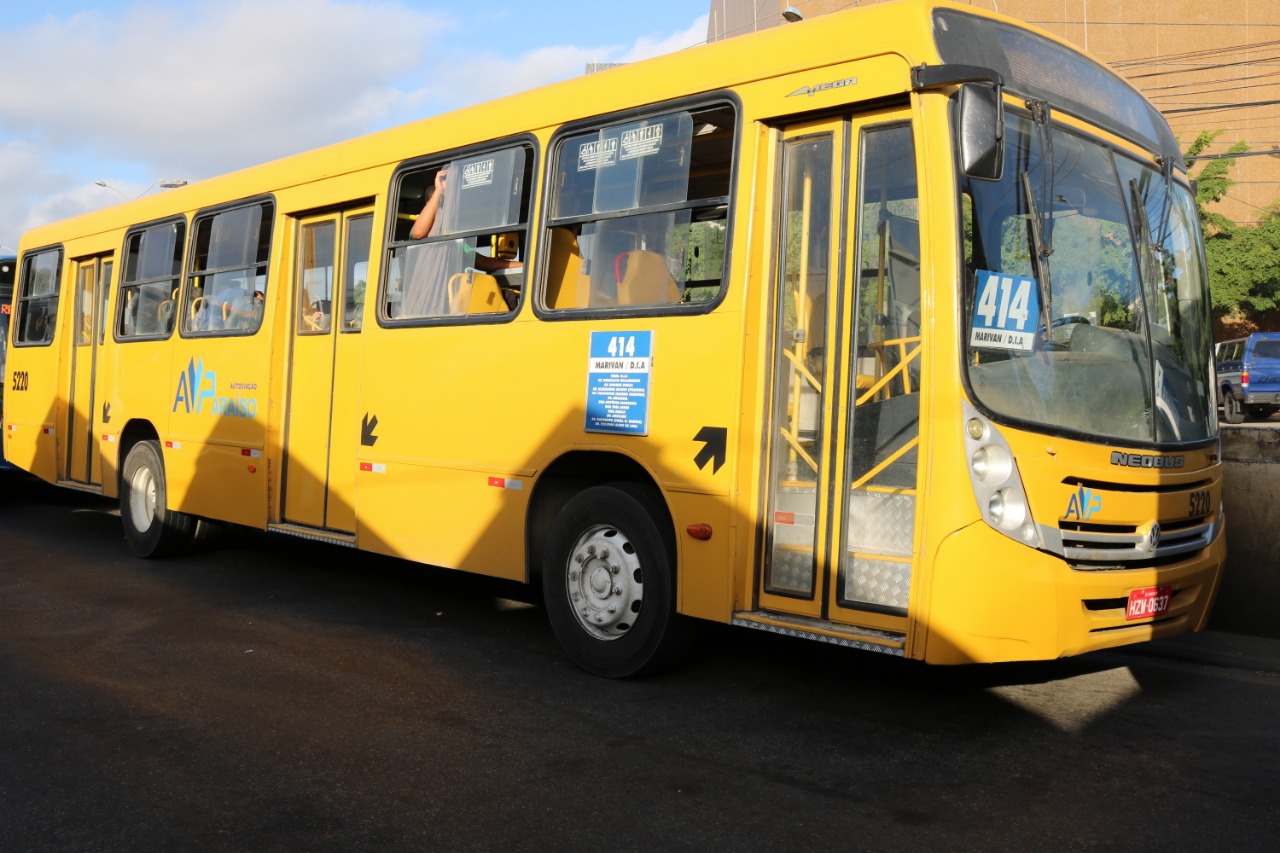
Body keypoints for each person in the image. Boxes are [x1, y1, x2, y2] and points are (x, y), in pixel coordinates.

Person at [402, 169, 522, 317]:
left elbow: (483, 262)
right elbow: (418, 232)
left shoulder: (454, 243)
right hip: (423, 308)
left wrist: (524, 265)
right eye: (441, 206)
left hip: (450, 306)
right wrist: (439, 191)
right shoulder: (420, 234)